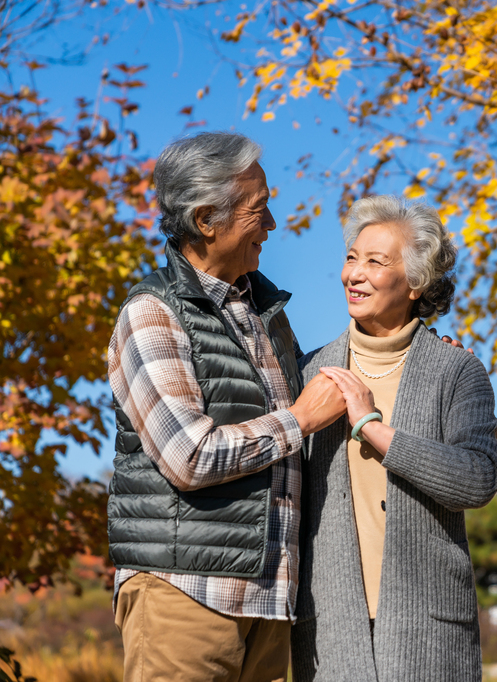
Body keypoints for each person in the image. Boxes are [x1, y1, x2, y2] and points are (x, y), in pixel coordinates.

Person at [106, 132, 348, 682]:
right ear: (206, 219)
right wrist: (300, 421)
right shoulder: (154, 314)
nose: (273, 225)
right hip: (185, 595)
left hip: (268, 599)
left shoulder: (261, 311)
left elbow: (322, 385)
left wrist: (412, 351)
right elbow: (188, 455)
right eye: (259, 210)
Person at [291, 195, 497, 681]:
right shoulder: (308, 371)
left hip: (429, 631)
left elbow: (478, 480)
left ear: (415, 281)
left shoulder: (456, 370)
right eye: (351, 258)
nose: (354, 274)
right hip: (328, 626)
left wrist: (373, 428)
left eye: (375, 261)